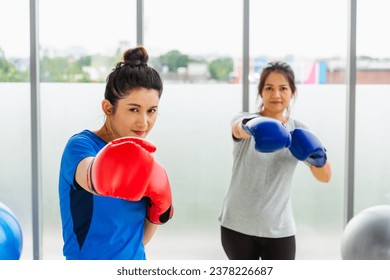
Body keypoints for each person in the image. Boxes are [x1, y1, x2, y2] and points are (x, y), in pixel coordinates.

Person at [58, 46, 173, 260]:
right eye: (133, 109)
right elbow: (95, 176)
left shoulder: (143, 158)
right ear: (108, 108)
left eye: (152, 111)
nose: (144, 122)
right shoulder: (80, 147)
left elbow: (139, 239)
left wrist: (160, 212)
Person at [219, 61, 332, 260]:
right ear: (261, 92)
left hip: (279, 228)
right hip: (238, 224)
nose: (276, 94)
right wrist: (252, 126)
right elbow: (237, 128)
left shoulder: (299, 131)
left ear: (292, 92)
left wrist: (318, 158)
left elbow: (325, 177)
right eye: (269, 88)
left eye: (283, 88)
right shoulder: (245, 120)